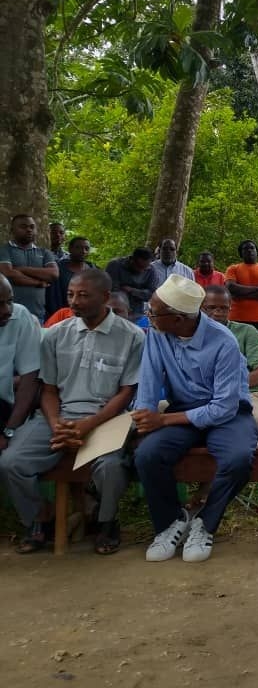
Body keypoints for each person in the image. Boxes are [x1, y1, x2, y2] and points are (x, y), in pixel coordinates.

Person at [0, 269, 144, 555]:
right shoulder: (55, 335)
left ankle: (105, 521)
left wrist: (88, 425)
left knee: (111, 467)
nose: (74, 302)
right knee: (12, 462)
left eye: (83, 295)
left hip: (106, 418)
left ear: (104, 297)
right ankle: (40, 519)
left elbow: (126, 393)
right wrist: (56, 424)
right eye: (70, 295)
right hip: (58, 416)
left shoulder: (132, 336)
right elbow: (49, 390)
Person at [131, 274, 258, 563]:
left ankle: (204, 523)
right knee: (148, 454)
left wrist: (162, 421)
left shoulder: (223, 342)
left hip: (228, 413)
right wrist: (144, 417)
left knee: (237, 458)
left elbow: (222, 408)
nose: (148, 316)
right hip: (183, 408)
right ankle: (171, 522)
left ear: (178, 318)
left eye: (153, 312)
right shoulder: (158, 333)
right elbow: (148, 383)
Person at [200, 285, 258, 437]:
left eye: (223, 308)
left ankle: (250, 460)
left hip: (245, 394)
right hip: (199, 394)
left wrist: (226, 387)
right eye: (211, 307)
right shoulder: (191, 333)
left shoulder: (246, 332)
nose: (217, 312)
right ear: (200, 308)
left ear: (230, 308)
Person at [0, 276, 41, 440]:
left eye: (9, 301)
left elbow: (30, 376)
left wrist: (9, 430)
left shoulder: (20, 315)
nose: (7, 310)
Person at [0, 214, 58, 323]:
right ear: (12, 230)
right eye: (23, 227)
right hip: (9, 315)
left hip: (37, 315)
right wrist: (38, 283)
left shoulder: (44, 252)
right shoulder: (4, 250)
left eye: (32, 227)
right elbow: (8, 274)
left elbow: (53, 274)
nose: (29, 230)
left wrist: (20, 269)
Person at [225, 240, 258, 332]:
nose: (249, 250)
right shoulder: (233, 269)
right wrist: (257, 288)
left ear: (257, 251)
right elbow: (230, 287)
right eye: (245, 249)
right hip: (237, 318)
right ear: (241, 253)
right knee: (236, 346)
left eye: (252, 248)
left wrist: (241, 294)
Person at [47, 236, 95, 318]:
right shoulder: (59, 269)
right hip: (63, 316)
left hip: (88, 316)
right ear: (70, 249)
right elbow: (52, 297)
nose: (83, 251)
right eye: (78, 248)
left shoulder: (94, 270)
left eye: (86, 248)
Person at [106, 247, 157, 321]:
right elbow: (111, 290)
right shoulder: (115, 265)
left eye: (145, 268)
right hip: (115, 311)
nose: (142, 271)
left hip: (137, 312)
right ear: (131, 259)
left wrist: (132, 290)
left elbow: (151, 294)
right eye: (139, 267)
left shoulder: (151, 270)